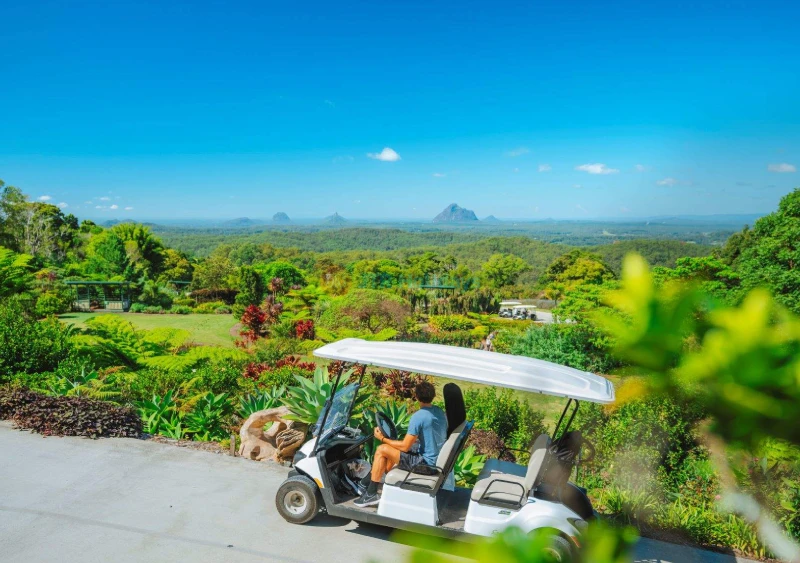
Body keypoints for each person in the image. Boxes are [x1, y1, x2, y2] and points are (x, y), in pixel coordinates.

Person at [354, 381, 447, 507]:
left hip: (426, 465)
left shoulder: (418, 417)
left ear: (416, 397)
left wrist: (381, 438)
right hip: (433, 459)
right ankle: (365, 484)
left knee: (382, 449)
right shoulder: (438, 412)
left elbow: (405, 446)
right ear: (433, 396)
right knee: (390, 448)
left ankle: (371, 494)